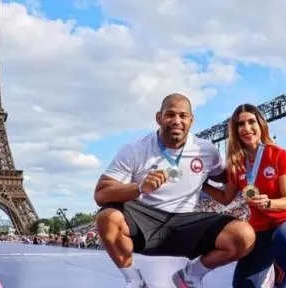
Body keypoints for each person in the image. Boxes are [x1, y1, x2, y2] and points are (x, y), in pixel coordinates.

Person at [95, 93, 256, 288]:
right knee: (107, 218)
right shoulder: (135, 149)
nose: (177, 121)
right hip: (146, 221)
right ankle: (134, 280)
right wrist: (139, 187)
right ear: (159, 118)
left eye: (183, 115)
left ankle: (190, 276)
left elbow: (230, 177)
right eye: (170, 114)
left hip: (187, 223)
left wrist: (251, 152)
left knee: (244, 235)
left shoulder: (205, 150)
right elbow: (101, 194)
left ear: (191, 120)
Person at [202, 103, 286, 288]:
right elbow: (225, 199)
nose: (246, 128)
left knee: (285, 237)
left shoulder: (279, 155)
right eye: (240, 124)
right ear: (235, 131)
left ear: (261, 124)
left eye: (251, 122)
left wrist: (268, 203)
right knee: (242, 285)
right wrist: (202, 184)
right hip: (261, 232)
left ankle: (279, 285)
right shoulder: (237, 165)